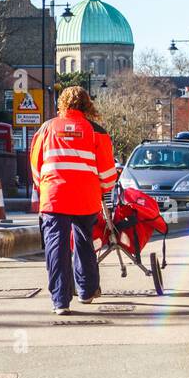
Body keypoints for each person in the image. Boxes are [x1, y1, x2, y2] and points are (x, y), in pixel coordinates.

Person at [30, 85, 117, 315]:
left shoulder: (46, 129)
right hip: (85, 198)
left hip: (54, 197)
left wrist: (43, 186)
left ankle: (60, 301)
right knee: (83, 241)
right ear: (87, 105)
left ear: (62, 104)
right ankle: (87, 291)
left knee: (55, 246)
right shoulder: (97, 132)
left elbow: (35, 164)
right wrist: (102, 190)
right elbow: (108, 172)